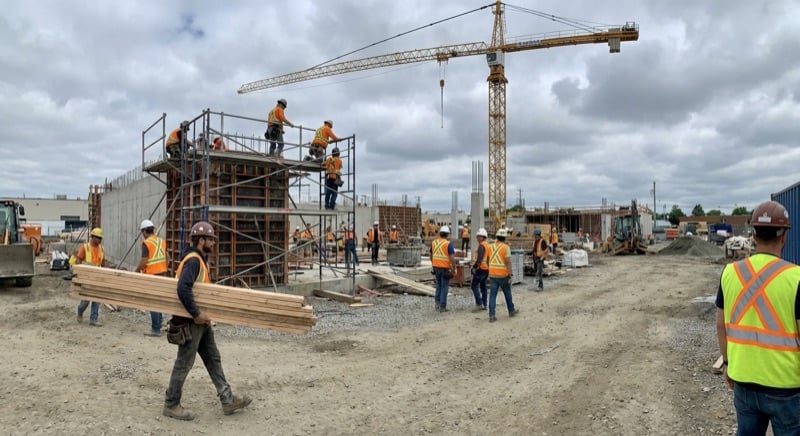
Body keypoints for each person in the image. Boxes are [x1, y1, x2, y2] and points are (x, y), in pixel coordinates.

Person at [716, 200, 800, 435]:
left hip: (744, 383)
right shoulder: (796, 278)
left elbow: (721, 325)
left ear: (753, 235)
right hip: (786, 388)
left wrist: (727, 364)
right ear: (784, 237)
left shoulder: (730, 272)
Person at [163, 221, 252, 421]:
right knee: (184, 363)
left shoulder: (200, 260)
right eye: (210, 239)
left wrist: (203, 316)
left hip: (201, 322)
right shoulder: (194, 261)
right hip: (191, 321)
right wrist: (196, 313)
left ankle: (228, 400)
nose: (213, 242)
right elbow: (182, 288)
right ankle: (171, 404)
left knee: (213, 359)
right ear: (201, 240)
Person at [134, 219, 169, 337]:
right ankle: (160, 322)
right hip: (162, 273)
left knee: (152, 301)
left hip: (152, 275)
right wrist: (164, 267)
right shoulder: (161, 241)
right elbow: (168, 257)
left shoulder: (146, 243)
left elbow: (144, 260)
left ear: (144, 231)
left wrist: (136, 271)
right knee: (158, 299)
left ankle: (155, 329)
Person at [76, 227, 110, 326]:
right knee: (85, 301)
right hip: (87, 277)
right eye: (98, 238)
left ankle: (93, 319)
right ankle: (80, 311)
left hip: (97, 277)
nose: (100, 240)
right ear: (92, 237)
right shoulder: (85, 247)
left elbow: (103, 263)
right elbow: (78, 259)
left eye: (101, 238)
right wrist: (79, 273)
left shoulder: (102, 249)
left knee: (96, 299)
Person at [487, 229, 519, 322]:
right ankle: (511, 311)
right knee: (507, 293)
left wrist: (490, 269)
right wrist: (510, 274)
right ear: (505, 238)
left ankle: (491, 315)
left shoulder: (490, 247)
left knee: (492, 295)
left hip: (493, 274)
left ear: (496, 237)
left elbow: (488, 260)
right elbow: (508, 262)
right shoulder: (506, 248)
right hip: (503, 275)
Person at [431, 225, 456, 312]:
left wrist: (433, 264)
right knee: (444, 287)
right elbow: (452, 257)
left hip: (436, 267)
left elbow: (431, 254)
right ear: (447, 234)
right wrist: (454, 268)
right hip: (445, 268)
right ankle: (442, 306)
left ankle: (437, 304)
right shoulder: (448, 244)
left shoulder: (434, 242)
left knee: (438, 285)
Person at [470, 228, 490, 312]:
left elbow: (479, 259)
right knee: (483, 286)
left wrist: (474, 267)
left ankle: (479, 303)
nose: (477, 238)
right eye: (477, 236)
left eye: (479, 236)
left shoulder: (481, 246)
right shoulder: (487, 245)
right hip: (486, 269)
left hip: (480, 268)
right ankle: (484, 304)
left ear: (483, 237)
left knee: (474, 285)